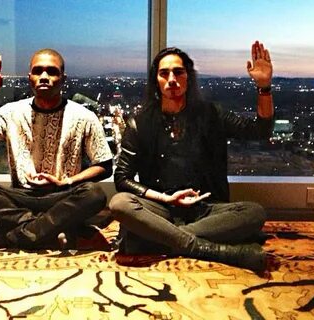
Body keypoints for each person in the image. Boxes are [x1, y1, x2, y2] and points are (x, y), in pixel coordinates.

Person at [109, 41, 274, 275]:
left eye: (178, 72)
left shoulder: (211, 115)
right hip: (161, 208)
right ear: (156, 80)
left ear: (188, 77)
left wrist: (264, 87)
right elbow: (122, 179)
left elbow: (261, 131)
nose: (172, 79)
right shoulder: (140, 123)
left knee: (254, 213)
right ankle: (211, 248)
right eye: (164, 73)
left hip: (206, 208)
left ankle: (156, 238)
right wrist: (166, 200)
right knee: (120, 204)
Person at [0, 49, 113, 250]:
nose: (44, 77)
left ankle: (5, 236)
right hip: (20, 197)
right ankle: (47, 228)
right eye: (38, 71)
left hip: (63, 195)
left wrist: (67, 182)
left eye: (51, 72)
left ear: (63, 78)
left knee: (94, 194)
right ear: (30, 78)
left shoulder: (83, 116)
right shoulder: (11, 112)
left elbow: (105, 165)